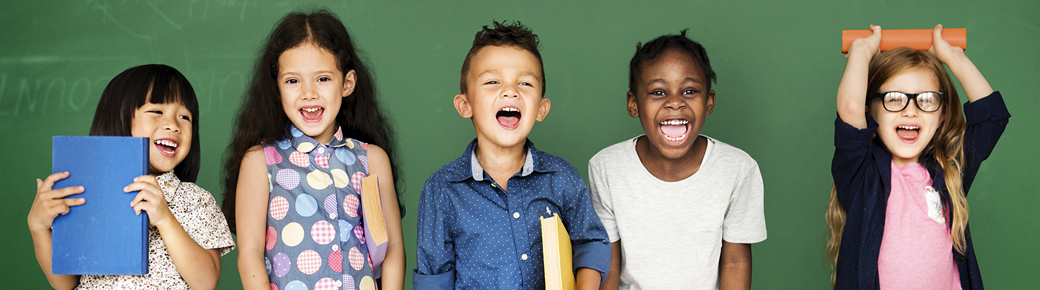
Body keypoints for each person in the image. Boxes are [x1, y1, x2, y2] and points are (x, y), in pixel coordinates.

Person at [413, 21, 611, 290]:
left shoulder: (561, 176)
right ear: (465, 105)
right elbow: (433, 279)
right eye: (492, 81)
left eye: (525, 82)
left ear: (541, 109)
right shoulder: (441, 190)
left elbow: (590, 243)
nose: (510, 91)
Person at [221, 9, 405, 290]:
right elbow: (250, 255)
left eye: (323, 79)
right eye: (293, 81)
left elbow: (391, 250)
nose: (309, 93)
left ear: (347, 83)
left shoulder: (370, 159)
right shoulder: (261, 162)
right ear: (278, 89)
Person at [827, 25, 1010, 289]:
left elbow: (991, 118)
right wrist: (861, 52)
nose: (910, 111)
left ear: (941, 116)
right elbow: (849, 107)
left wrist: (953, 57)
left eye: (925, 100)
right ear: (870, 112)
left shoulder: (948, 171)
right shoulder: (862, 176)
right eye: (894, 98)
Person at [27, 64, 235, 289]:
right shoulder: (86, 194)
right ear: (119, 117)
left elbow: (206, 281)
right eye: (157, 111)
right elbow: (66, 284)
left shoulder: (196, 200)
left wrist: (165, 219)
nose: (173, 125)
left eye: (185, 117)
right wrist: (38, 228)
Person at [588, 30, 767, 290]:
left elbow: (735, 262)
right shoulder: (605, 168)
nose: (675, 102)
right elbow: (610, 264)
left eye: (690, 91)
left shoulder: (738, 169)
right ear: (633, 104)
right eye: (658, 92)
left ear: (709, 101)